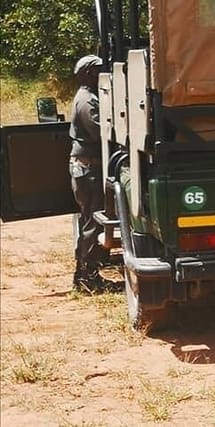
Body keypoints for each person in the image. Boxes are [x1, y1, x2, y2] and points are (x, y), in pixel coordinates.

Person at [69, 54, 109, 292]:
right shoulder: (87, 100)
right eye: (97, 71)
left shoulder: (89, 97)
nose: (101, 75)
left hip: (88, 167)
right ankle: (88, 278)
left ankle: (84, 274)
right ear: (87, 74)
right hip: (88, 168)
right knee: (92, 223)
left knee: (89, 222)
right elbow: (98, 133)